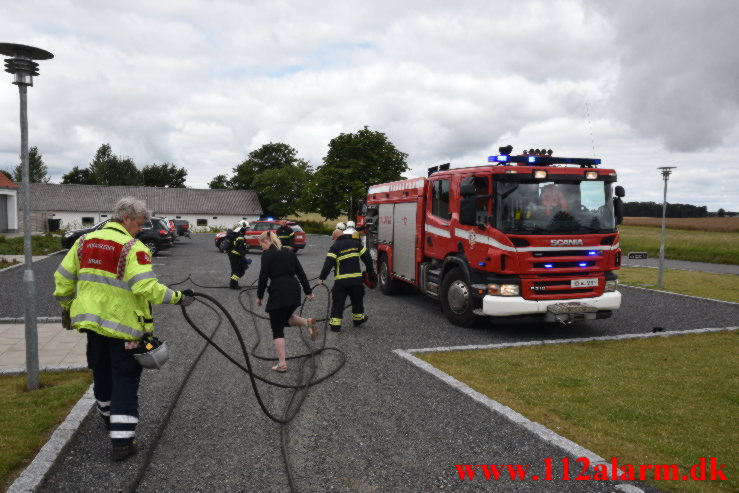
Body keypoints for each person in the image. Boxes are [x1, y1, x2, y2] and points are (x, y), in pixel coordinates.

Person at [53, 197, 195, 461]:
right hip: (125, 332)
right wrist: (177, 297)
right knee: (125, 378)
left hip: (93, 327)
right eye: (139, 223)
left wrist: (68, 306)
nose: (141, 229)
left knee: (102, 372)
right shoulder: (133, 248)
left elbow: (62, 278)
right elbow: (145, 288)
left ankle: (108, 419)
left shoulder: (84, 242)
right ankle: (122, 441)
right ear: (126, 218)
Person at [256, 231, 317, 372]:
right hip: (294, 291)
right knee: (284, 319)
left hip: (279, 292)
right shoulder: (289, 252)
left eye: (261, 245)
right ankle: (307, 322)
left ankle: (282, 363)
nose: (261, 248)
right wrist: (308, 292)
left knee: (277, 328)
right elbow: (301, 273)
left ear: (266, 242)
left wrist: (260, 296)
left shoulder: (267, 255)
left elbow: (263, 277)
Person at [318, 227, 376, 332]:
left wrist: (322, 278)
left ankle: (335, 325)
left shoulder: (335, 246)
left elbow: (328, 263)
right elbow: (367, 257)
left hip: (341, 281)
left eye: (332, 238)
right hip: (356, 280)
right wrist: (370, 271)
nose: (332, 240)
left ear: (336, 237)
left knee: (338, 302)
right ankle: (358, 319)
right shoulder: (355, 243)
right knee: (357, 300)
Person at [226, 220, 252, 289]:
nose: (246, 230)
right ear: (242, 227)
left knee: (235, 270)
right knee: (240, 271)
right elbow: (240, 249)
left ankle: (233, 284)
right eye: (246, 228)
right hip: (237, 256)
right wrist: (245, 260)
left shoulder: (235, 233)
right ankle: (234, 284)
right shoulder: (240, 236)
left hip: (232, 255)